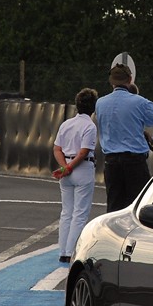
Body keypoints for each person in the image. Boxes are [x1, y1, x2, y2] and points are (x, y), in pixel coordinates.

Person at [96, 64, 153, 212]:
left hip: (111, 161)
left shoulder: (100, 103)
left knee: (114, 207)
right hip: (134, 161)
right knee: (138, 207)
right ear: (130, 79)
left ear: (111, 82)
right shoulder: (140, 102)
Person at [52, 87, 99, 263]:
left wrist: (64, 167)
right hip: (82, 169)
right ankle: (72, 251)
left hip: (66, 169)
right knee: (80, 212)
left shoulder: (66, 124)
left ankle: (62, 250)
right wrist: (71, 167)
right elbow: (84, 152)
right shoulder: (89, 126)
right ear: (93, 108)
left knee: (66, 212)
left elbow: (57, 149)